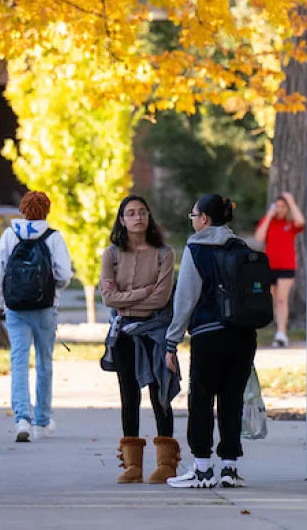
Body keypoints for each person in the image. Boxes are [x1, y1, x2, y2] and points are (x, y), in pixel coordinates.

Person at [166, 194, 257, 488]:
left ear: (204, 219)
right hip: (243, 337)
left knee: (202, 399)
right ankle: (229, 467)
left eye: (193, 215)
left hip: (208, 335)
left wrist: (172, 341)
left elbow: (185, 299)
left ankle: (203, 468)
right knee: (232, 399)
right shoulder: (241, 248)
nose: (192, 220)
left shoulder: (196, 249)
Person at [99, 195, 180, 484]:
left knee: (161, 394)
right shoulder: (111, 255)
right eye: (131, 213)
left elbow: (162, 297)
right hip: (123, 334)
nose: (137, 218)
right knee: (128, 395)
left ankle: (167, 464)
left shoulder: (164, 253)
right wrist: (142, 294)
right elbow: (109, 298)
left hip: (156, 333)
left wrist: (129, 300)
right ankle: (132, 466)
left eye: (142, 212)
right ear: (122, 220)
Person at [0, 190, 72, 443]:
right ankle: (41, 422)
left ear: (23, 210)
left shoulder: (8, 236)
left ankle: (21, 419)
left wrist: (4, 303)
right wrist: (52, 292)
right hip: (45, 309)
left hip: (16, 309)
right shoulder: (54, 238)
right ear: (46, 211)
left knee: (18, 363)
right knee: (44, 364)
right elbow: (64, 275)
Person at [253, 192, 306, 348]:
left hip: (286, 266)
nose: (280, 209)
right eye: (278, 206)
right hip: (270, 266)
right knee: (275, 300)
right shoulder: (269, 221)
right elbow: (259, 238)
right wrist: (269, 216)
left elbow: (301, 221)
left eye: (283, 206)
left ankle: (282, 333)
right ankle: (279, 331)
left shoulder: (290, 223)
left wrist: (292, 202)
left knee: (282, 299)